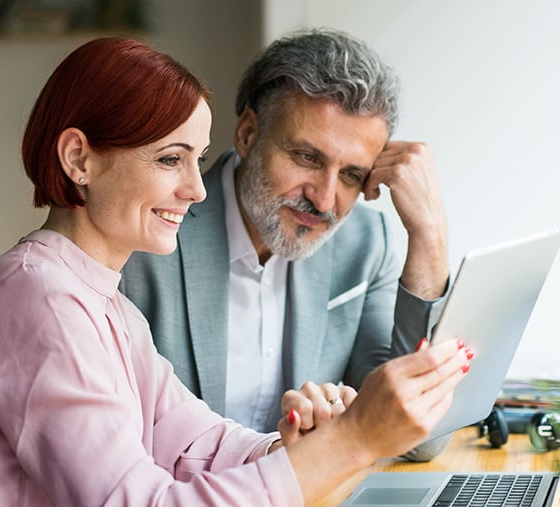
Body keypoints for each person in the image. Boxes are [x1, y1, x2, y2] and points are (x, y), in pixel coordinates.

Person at [0, 36, 473, 507]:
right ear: (78, 159)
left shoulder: (103, 305)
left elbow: (203, 446)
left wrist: (300, 441)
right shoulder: (33, 302)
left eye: (196, 158)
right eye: (170, 159)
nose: (197, 188)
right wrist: (351, 442)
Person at [121, 28, 457, 461]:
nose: (322, 198)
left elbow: (419, 437)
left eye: (352, 175)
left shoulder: (364, 244)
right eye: (307, 158)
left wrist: (430, 236)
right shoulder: (149, 236)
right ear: (246, 134)